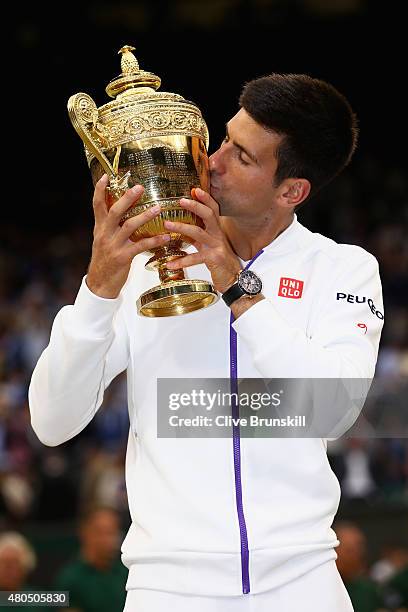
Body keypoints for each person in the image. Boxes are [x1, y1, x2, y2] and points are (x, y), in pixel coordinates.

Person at [29, 73, 384, 611]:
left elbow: (332, 410)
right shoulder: (149, 268)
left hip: (302, 582)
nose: (211, 161)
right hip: (166, 589)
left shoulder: (344, 270)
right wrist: (97, 290)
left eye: (241, 157)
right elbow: (52, 423)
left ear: (292, 191)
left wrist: (236, 285)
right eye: (223, 139)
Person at [54, 506, 128, 612]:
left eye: (112, 532)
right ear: (85, 532)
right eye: (101, 532)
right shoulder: (68, 578)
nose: (108, 539)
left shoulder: (126, 572)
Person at [335, 522, 386, 612]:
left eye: (359, 549)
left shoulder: (369, 591)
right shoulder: (319, 589)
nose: (356, 556)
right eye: (349, 551)